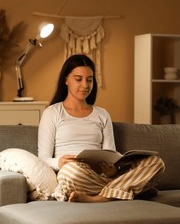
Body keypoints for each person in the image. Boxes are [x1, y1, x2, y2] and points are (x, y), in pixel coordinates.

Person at [38, 54, 165, 202]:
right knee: (70, 173)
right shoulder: (52, 113)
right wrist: (59, 162)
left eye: (89, 80)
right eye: (78, 79)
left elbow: (109, 153)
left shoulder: (102, 114)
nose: (85, 85)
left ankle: (100, 197)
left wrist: (113, 168)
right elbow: (43, 159)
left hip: (100, 175)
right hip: (75, 173)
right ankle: (132, 189)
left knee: (156, 163)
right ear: (66, 80)